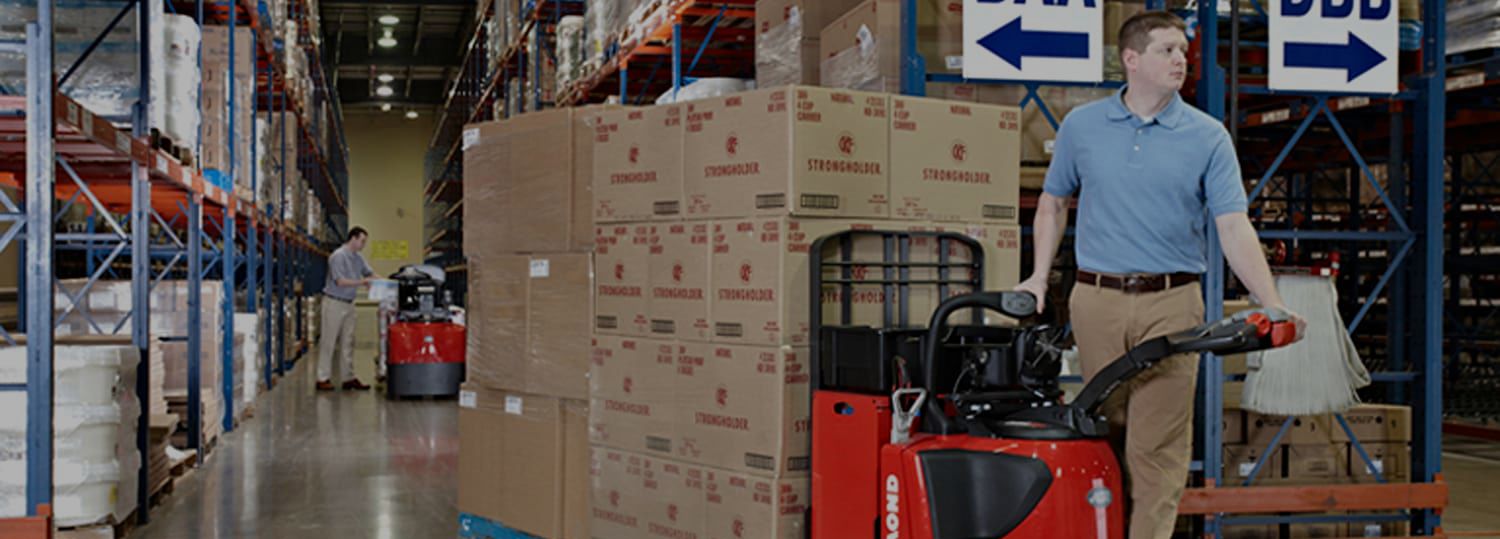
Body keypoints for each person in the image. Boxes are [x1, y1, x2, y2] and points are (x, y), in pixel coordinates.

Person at [1013, 11, 1306, 539]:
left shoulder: (1206, 137)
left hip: (1172, 305)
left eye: (1183, 50)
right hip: (1095, 300)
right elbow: (1053, 202)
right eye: (1168, 50)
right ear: (1132, 59)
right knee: (1101, 434)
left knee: (1157, 449)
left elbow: (1232, 225)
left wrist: (1271, 300)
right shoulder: (1082, 126)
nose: (1181, 59)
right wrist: (1038, 277)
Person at [317, 226, 377, 391]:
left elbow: (369, 273)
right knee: (329, 341)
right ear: (353, 238)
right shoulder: (337, 256)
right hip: (334, 303)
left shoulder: (358, 258)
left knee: (348, 341)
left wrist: (383, 282)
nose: (363, 244)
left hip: (349, 304)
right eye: (362, 241)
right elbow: (340, 281)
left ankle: (347, 377)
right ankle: (322, 378)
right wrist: (362, 283)